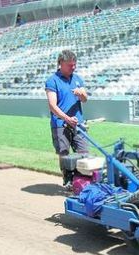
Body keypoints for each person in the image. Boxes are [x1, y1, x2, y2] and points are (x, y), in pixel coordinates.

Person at [45, 50, 89, 188]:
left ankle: (82, 180)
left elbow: (85, 99)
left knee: (83, 152)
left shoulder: (77, 79)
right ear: (61, 64)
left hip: (78, 123)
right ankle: (68, 180)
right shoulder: (52, 81)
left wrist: (82, 95)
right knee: (64, 153)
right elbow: (52, 105)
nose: (73, 67)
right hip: (60, 124)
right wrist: (67, 118)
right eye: (70, 65)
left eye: (74, 64)